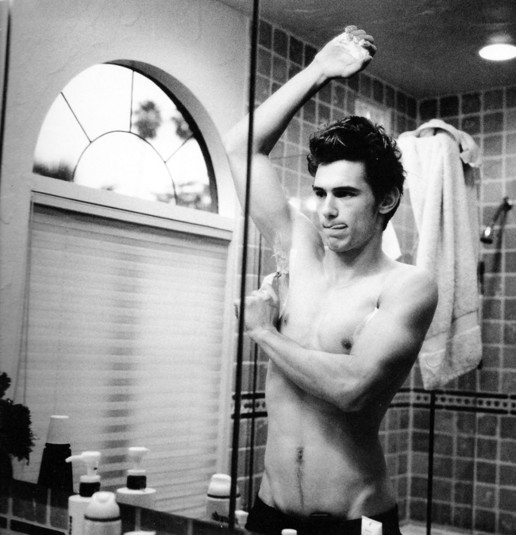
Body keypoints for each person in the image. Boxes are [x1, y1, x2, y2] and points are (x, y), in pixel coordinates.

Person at [224, 25, 438, 535]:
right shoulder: (298, 248)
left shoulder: (406, 286)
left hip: (354, 520)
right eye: (320, 193)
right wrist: (318, 71)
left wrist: (263, 332)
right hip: (270, 511)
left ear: (386, 200)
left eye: (344, 194)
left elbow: (352, 388)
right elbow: (241, 150)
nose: (326, 210)